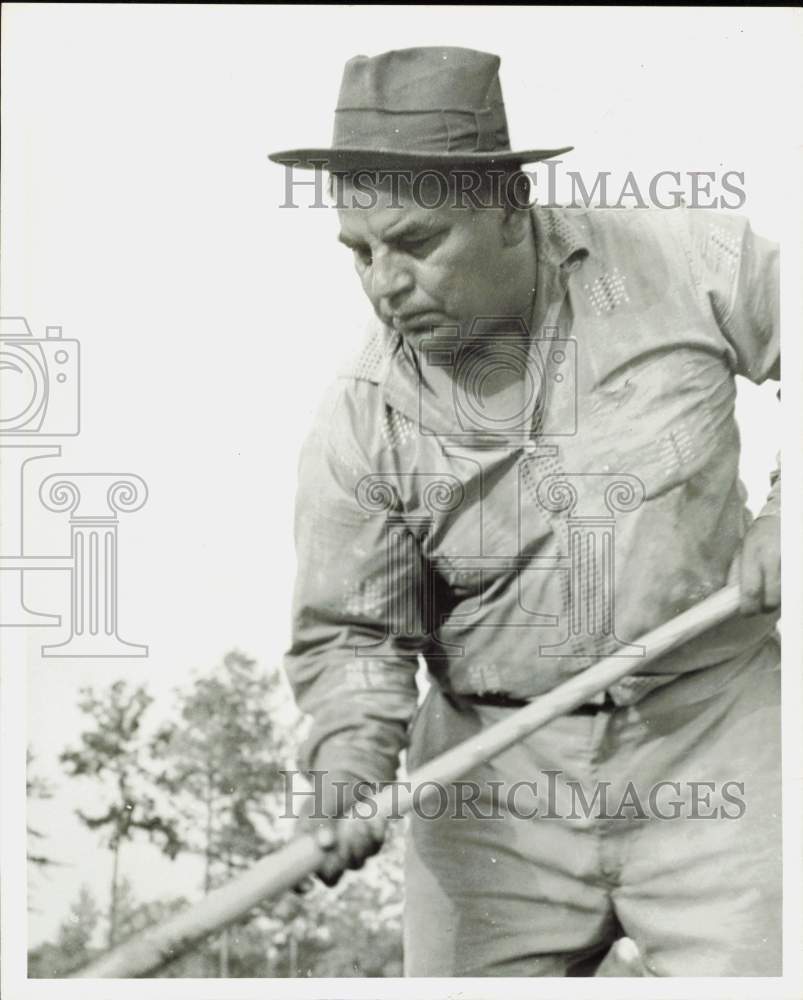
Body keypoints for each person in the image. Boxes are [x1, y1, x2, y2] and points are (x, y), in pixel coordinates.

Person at [271, 47, 781, 977]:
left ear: (508, 210)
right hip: (491, 785)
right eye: (360, 250)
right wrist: (347, 763)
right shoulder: (360, 418)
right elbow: (352, 637)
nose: (384, 281)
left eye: (417, 243)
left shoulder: (683, 260)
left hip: (717, 738)